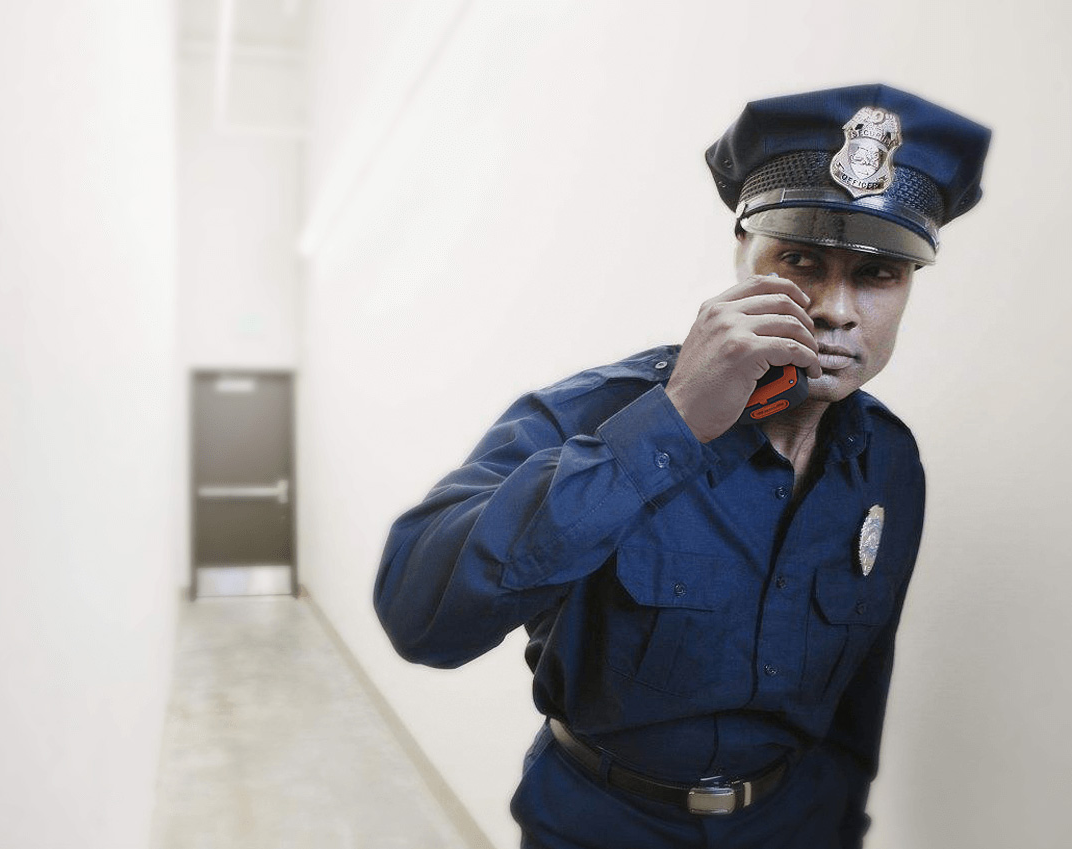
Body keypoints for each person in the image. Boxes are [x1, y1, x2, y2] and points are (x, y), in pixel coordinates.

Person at [373, 83, 991, 848]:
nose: (836, 308)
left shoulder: (887, 460)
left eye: (878, 275)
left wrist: (839, 824)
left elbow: (859, 694)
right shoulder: (594, 413)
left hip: (792, 824)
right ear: (742, 256)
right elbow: (419, 615)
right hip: (603, 826)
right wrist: (669, 424)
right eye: (801, 260)